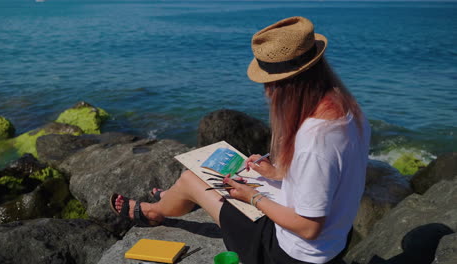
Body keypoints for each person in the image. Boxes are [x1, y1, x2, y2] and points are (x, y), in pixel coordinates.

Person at [110, 16, 370, 264]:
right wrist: (279, 173)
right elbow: (330, 178)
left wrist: (252, 198)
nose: (267, 91)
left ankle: (156, 211)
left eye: (270, 84)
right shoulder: (347, 110)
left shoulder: (314, 141)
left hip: (290, 255)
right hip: (334, 243)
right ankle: (172, 198)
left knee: (191, 179)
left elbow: (308, 227)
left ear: (286, 85)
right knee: (200, 182)